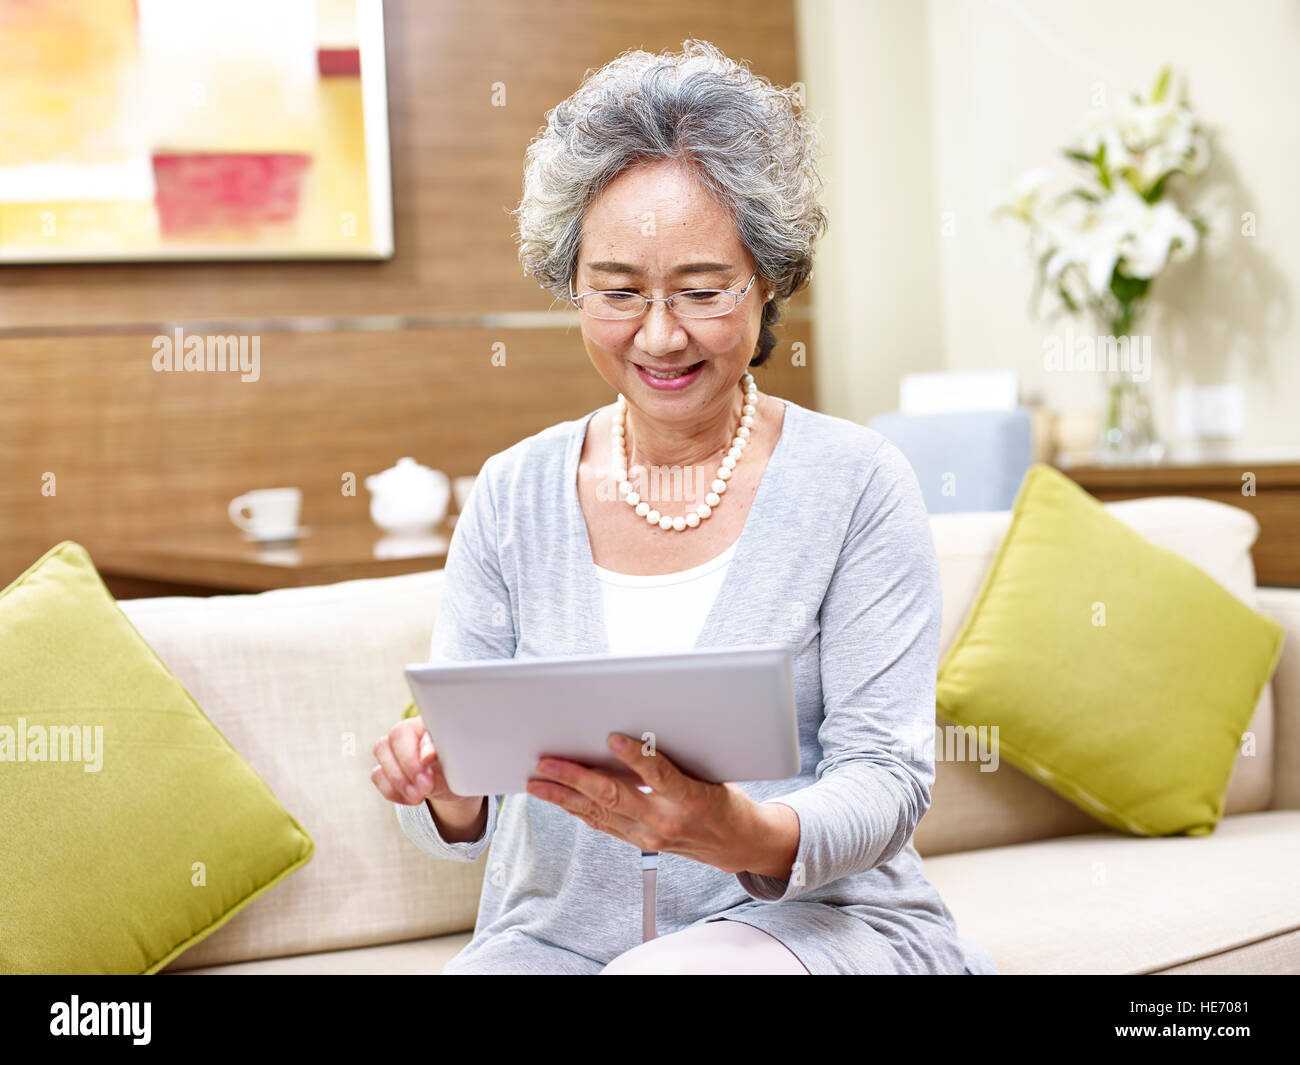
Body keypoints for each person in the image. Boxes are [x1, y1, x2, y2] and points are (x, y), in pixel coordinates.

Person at [370, 39, 998, 976]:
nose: (659, 336)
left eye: (701, 291)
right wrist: (439, 786)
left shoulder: (858, 483)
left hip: (819, 930)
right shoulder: (513, 494)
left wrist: (738, 829)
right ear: (569, 281)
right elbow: (471, 806)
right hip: (554, 944)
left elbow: (888, 778)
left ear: (769, 278)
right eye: (618, 292)